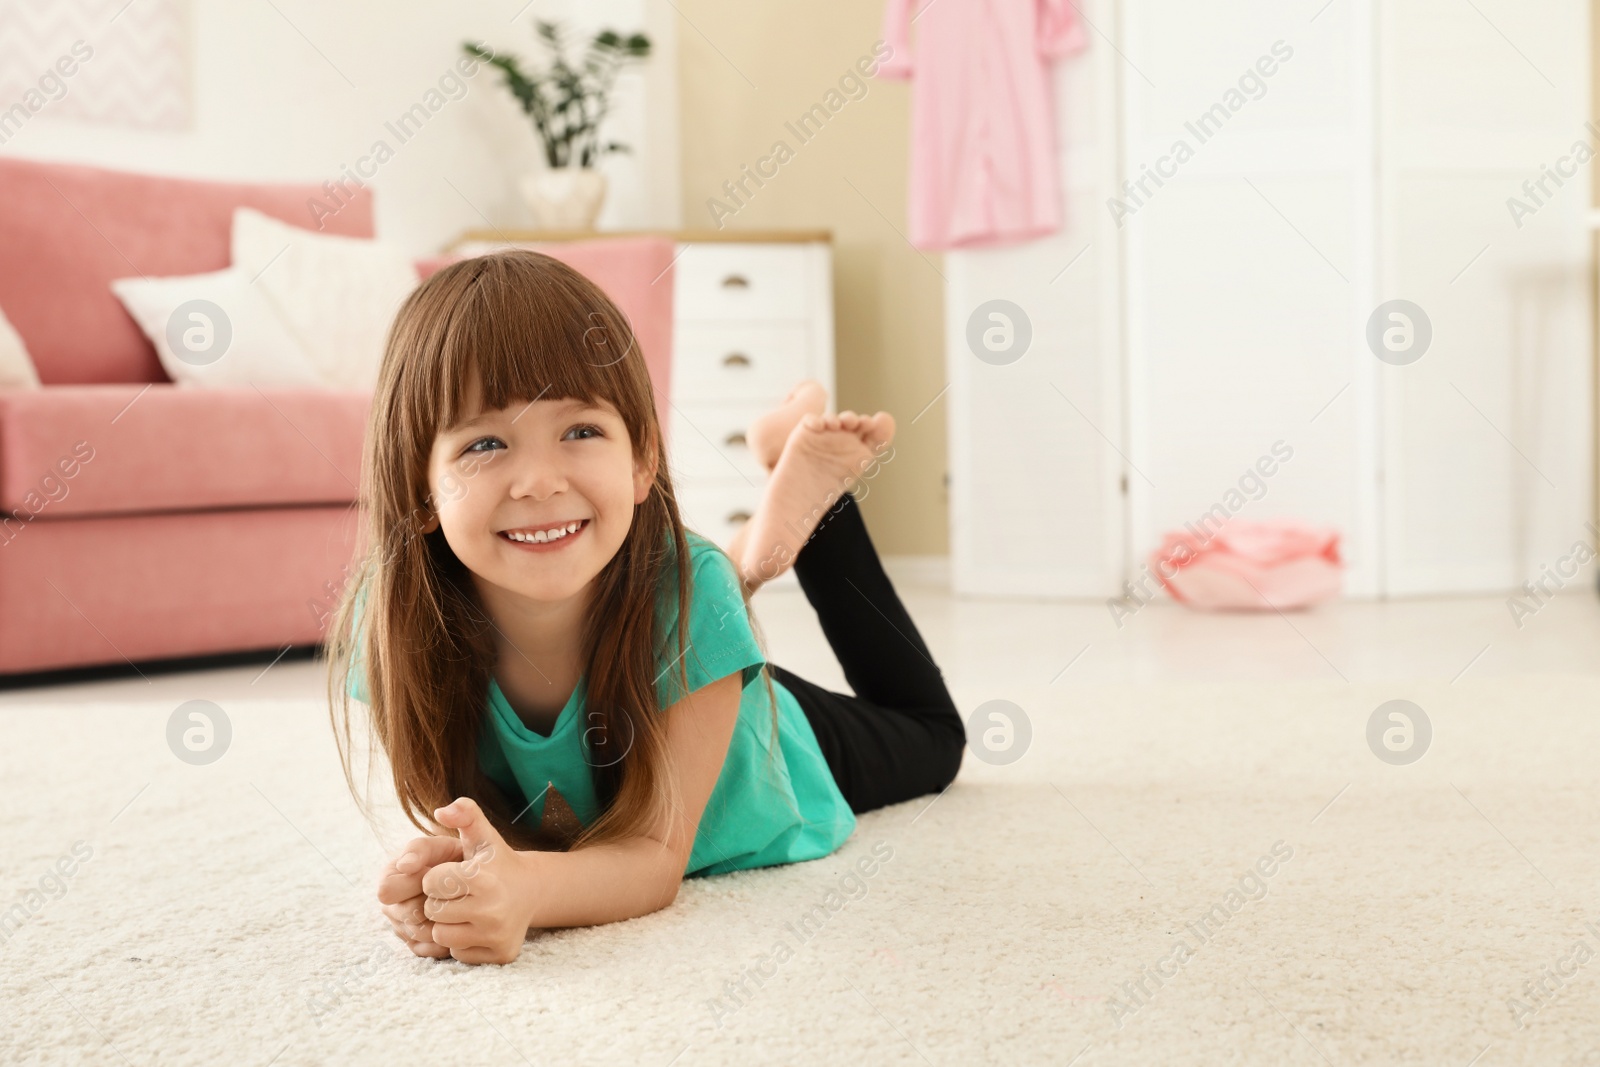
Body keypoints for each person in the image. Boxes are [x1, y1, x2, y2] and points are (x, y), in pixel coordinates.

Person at [325, 249, 964, 965]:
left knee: (937, 739)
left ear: (641, 461)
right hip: (675, 648)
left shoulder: (685, 594)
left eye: (580, 431)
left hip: (761, 740)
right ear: (419, 491)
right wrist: (450, 877)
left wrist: (528, 890)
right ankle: (742, 564)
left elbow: (653, 860)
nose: (537, 480)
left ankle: (815, 514)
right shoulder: (392, 618)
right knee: (696, 596)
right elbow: (506, 821)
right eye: (484, 443)